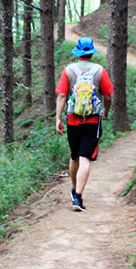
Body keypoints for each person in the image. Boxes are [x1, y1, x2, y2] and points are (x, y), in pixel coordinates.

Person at [55, 37, 114, 211]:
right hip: (92, 120)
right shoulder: (100, 71)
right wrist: (106, 112)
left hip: (72, 119)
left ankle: (74, 191)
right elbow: (109, 96)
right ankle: (78, 198)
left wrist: (58, 118)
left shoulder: (68, 71)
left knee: (74, 156)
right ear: (91, 52)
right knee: (85, 158)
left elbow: (61, 96)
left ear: (78, 52)